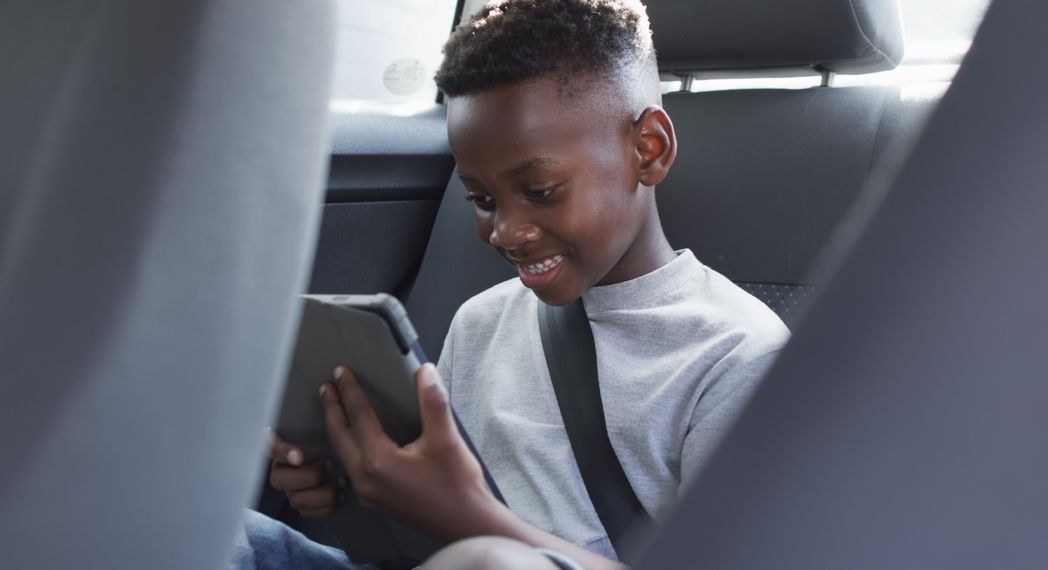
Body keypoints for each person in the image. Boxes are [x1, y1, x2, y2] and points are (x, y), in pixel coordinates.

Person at [237, 1, 789, 568]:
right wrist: (349, 489)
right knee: (211, 529)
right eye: (480, 200)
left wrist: (471, 519)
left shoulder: (737, 358)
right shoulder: (481, 322)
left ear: (647, 149)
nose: (506, 232)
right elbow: (426, 518)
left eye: (541, 189)